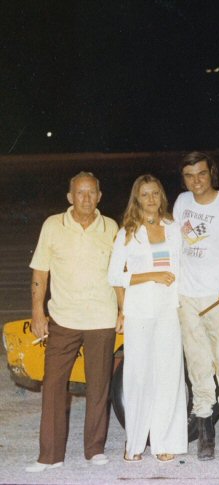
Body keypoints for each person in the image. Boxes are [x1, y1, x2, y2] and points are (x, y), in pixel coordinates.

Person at [26, 172, 119, 472]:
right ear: (70, 197)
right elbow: (40, 272)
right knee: (53, 385)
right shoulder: (53, 225)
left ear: (99, 196)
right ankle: (50, 456)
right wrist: (38, 312)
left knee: (99, 386)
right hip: (63, 318)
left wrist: (122, 310)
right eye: (80, 192)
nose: (86, 198)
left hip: (101, 318)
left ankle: (95, 449)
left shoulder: (111, 227)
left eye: (91, 192)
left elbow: (119, 274)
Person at [172, 151, 219, 461]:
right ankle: (205, 433)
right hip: (187, 297)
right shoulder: (181, 203)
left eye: (201, 174)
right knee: (198, 364)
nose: (196, 181)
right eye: (189, 176)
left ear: (211, 173)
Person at [107, 175, 187, 462]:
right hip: (139, 311)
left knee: (168, 375)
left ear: (161, 196)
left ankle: (164, 442)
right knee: (138, 376)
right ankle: (134, 444)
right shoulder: (127, 232)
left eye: (155, 193)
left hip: (169, 310)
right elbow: (114, 276)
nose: (151, 199)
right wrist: (151, 276)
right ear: (137, 199)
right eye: (145, 194)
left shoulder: (173, 228)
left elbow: (183, 267)